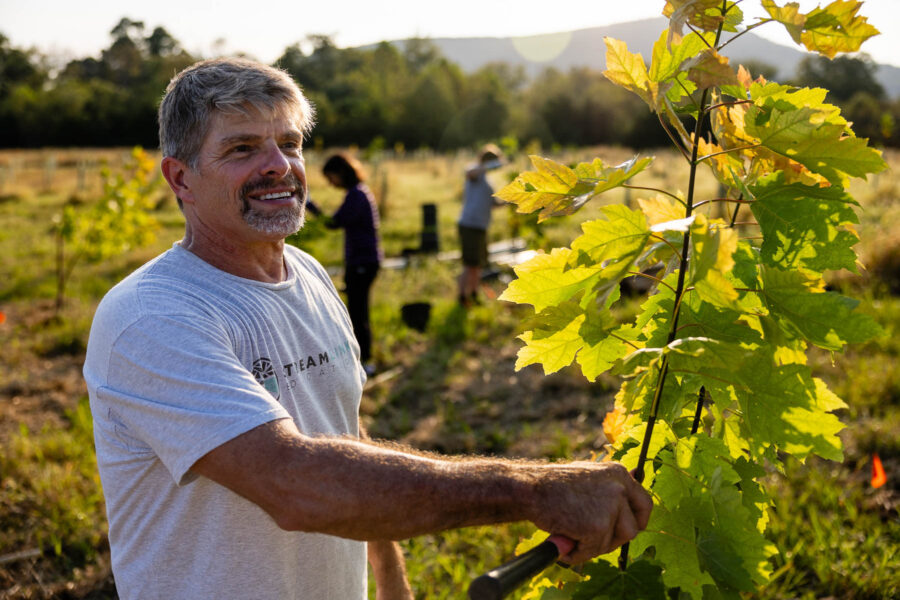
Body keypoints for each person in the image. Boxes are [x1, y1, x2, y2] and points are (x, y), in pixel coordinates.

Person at [83, 57, 652, 600]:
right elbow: (295, 483)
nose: (279, 165)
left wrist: (388, 576)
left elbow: (344, 439)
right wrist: (533, 490)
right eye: (242, 148)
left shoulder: (307, 273)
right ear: (180, 178)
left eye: (289, 144)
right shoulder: (151, 316)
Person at [306, 153, 382, 376]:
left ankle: (366, 362)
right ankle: (361, 359)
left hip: (362, 263)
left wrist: (309, 203)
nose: (331, 183)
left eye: (331, 178)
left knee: (358, 314)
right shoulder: (358, 193)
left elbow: (333, 223)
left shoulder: (357, 196)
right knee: (357, 312)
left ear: (340, 173)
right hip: (363, 261)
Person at [457, 143, 506, 306]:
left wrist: (510, 201)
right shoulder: (475, 171)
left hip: (481, 226)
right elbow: (470, 174)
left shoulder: (488, 181)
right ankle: (462, 296)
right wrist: (486, 167)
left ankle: (474, 293)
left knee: (477, 264)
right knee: (469, 264)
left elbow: (494, 203)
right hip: (470, 224)